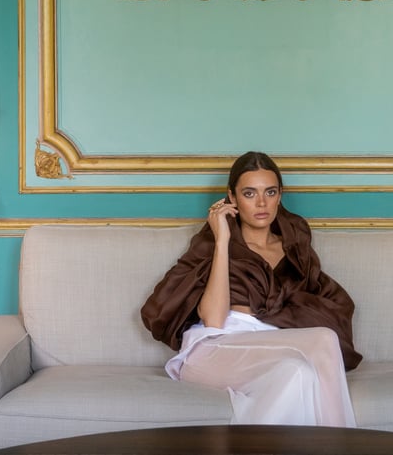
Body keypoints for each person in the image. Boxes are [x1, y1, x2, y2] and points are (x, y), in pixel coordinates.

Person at [141, 151, 361, 426]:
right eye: (249, 193)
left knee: (298, 373)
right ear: (231, 197)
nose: (261, 203)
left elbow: (316, 301)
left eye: (270, 192)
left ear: (280, 195)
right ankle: (344, 443)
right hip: (214, 350)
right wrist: (222, 241)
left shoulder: (295, 247)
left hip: (271, 345)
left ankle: (255, 443)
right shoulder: (213, 244)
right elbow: (214, 320)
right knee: (324, 339)